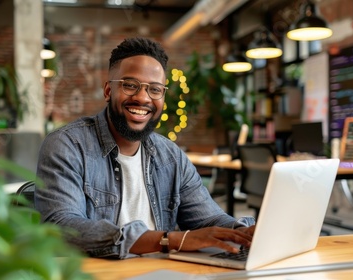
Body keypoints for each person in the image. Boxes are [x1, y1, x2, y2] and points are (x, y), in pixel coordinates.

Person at [35, 37, 256, 259]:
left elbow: (209, 220)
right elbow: (62, 227)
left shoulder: (171, 157)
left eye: (155, 89)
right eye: (130, 85)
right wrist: (169, 240)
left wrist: (243, 232)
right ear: (108, 91)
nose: (143, 98)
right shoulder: (68, 146)